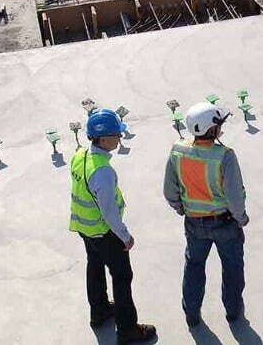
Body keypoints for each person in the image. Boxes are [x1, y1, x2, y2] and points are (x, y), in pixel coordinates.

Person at [71, 109, 157, 343]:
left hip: (85, 228)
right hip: (104, 232)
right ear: (103, 138)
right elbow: (109, 212)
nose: (120, 138)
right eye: (117, 135)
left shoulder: (80, 155)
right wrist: (125, 236)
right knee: (122, 276)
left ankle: (99, 312)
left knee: (95, 266)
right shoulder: (103, 171)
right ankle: (128, 328)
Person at [164, 102, 249, 326]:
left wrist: (180, 207)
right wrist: (241, 218)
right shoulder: (225, 156)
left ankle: (192, 313)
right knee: (232, 268)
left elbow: (169, 190)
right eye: (219, 125)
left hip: (193, 222)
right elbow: (234, 195)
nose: (221, 128)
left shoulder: (178, 150)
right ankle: (233, 311)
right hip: (225, 223)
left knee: (193, 267)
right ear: (211, 130)